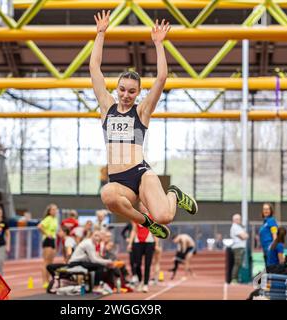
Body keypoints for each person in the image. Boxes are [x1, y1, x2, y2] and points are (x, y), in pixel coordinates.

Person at [91, 11, 198, 240]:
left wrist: (159, 44)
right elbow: (94, 69)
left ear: (138, 93)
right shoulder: (107, 107)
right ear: (116, 89)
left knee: (166, 216)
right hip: (119, 180)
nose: (126, 95)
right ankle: (145, 221)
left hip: (140, 173)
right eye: (122, 90)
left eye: (131, 91)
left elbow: (161, 78)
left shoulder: (141, 111)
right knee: (107, 195)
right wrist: (101, 33)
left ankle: (174, 195)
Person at [127, 202, 157, 292]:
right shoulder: (136, 216)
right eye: (140, 206)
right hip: (137, 242)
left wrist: (157, 244)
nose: (142, 207)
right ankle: (140, 281)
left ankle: (145, 284)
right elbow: (133, 230)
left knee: (148, 264)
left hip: (149, 242)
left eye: (144, 205)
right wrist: (130, 243)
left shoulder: (152, 217)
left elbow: (155, 231)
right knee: (137, 264)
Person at [37, 203, 59, 289]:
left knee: (51, 262)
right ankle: (44, 281)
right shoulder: (48, 218)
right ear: (49, 211)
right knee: (46, 262)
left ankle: (50, 281)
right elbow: (39, 226)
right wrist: (46, 234)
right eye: (53, 209)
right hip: (47, 240)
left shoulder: (55, 219)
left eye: (56, 209)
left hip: (53, 240)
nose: (55, 211)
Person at [230, 213, 248, 284]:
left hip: (240, 247)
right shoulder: (235, 227)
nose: (239, 220)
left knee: (239, 264)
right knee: (237, 263)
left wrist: (245, 235)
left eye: (239, 219)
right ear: (234, 220)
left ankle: (236, 279)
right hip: (237, 247)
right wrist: (245, 235)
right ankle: (234, 279)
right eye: (237, 219)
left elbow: (246, 235)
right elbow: (244, 236)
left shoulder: (238, 227)